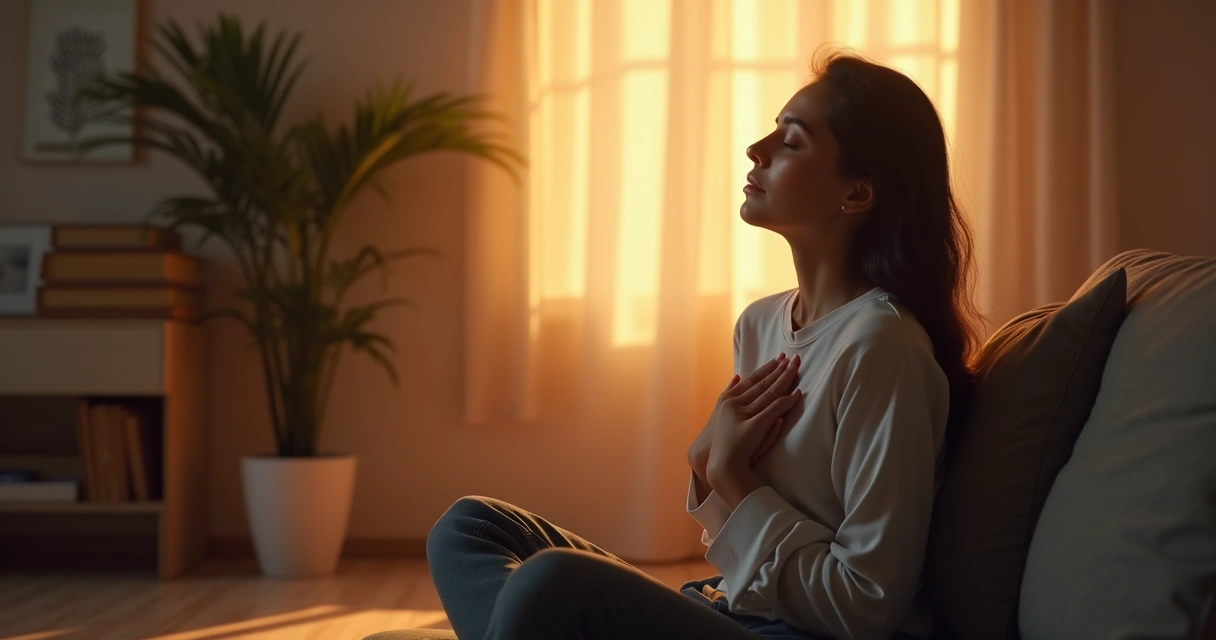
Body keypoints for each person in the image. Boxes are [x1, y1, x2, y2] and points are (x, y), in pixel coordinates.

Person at [422, 51, 981, 640]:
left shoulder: (882, 346)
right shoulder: (760, 323)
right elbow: (741, 558)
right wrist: (707, 469)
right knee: (470, 527)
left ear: (858, 193)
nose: (755, 150)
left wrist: (730, 475)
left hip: (800, 635)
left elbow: (865, 606)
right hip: (731, 609)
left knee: (550, 584)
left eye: (790, 143)